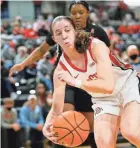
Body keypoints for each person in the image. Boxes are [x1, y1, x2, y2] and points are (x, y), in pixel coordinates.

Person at [9, 1, 110, 147]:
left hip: (86, 79)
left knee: (91, 127)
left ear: (88, 13)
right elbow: (42, 50)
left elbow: (109, 58)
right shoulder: (63, 28)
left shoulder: (98, 32)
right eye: (73, 13)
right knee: (64, 118)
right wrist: (23, 63)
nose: (77, 16)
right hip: (64, 78)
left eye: (81, 12)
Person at [42, 16, 140, 148]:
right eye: (59, 33)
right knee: (103, 143)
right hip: (103, 99)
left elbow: (108, 86)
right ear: (54, 39)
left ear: (75, 32)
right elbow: (56, 109)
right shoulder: (60, 69)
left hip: (127, 86)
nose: (64, 36)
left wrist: (75, 81)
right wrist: (47, 126)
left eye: (67, 30)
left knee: (131, 132)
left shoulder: (95, 46)